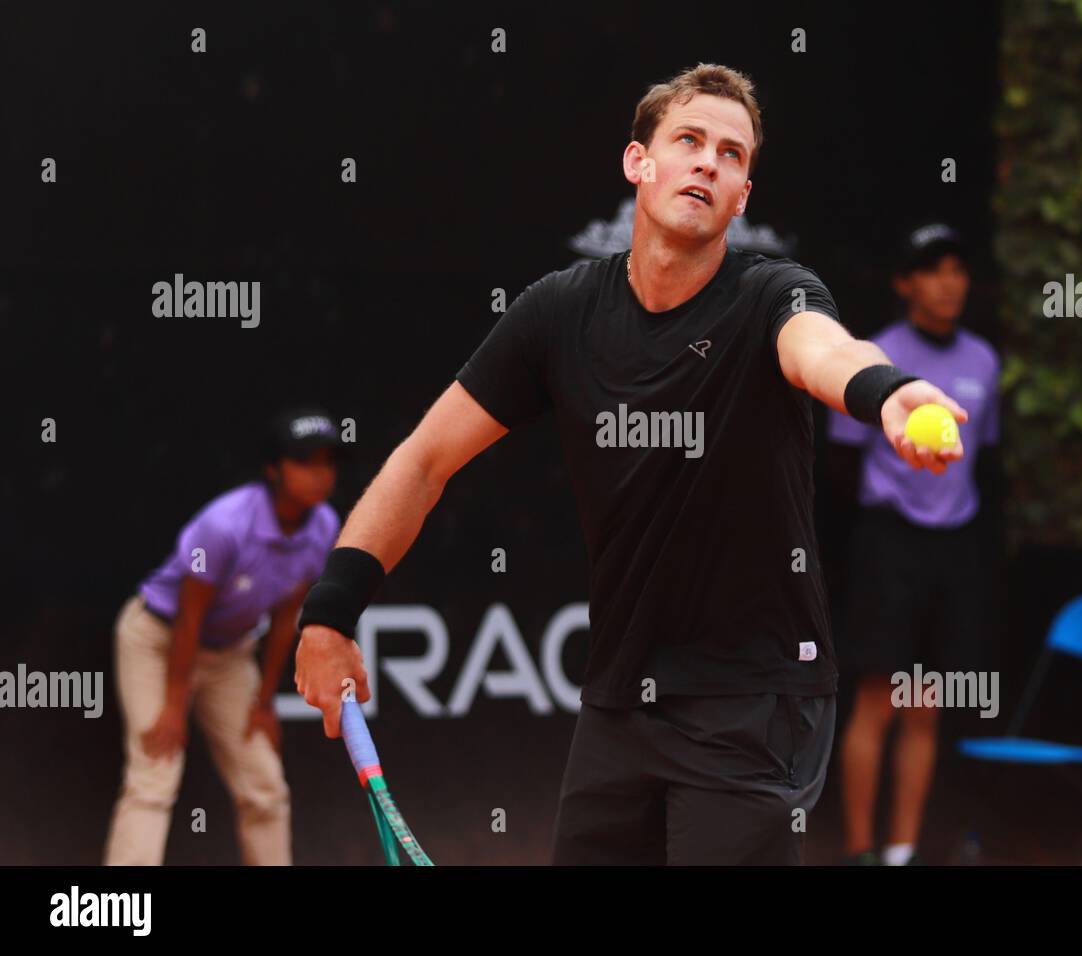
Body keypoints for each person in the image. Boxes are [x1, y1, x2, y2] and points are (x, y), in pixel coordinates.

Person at [294, 63, 968, 865]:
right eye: (688, 140)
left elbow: (824, 350)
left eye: (732, 154)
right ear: (637, 163)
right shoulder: (557, 313)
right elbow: (423, 460)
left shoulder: (773, 297)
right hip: (622, 701)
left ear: (743, 196)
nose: (709, 162)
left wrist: (884, 389)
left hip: (756, 702)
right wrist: (331, 612)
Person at [828, 223, 1001, 866]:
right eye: (933, 269)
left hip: (952, 550)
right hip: (887, 545)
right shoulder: (873, 356)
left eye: (958, 268)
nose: (949, 281)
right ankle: (858, 852)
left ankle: (900, 854)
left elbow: (983, 460)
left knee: (924, 704)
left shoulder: (985, 360)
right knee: (877, 699)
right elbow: (842, 468)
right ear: (905, 284)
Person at [104, 407, 343, 865]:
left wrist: (264, 701)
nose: (320, 475)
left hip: (229, 656)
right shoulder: (222, 526)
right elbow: (188, 618)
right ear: (273, 470)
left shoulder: (325, 527)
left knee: (265, 785)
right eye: (306, 462)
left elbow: (286, 613)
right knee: (154, 776)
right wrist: (175, 704)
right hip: (158, 640)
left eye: (328, 463)